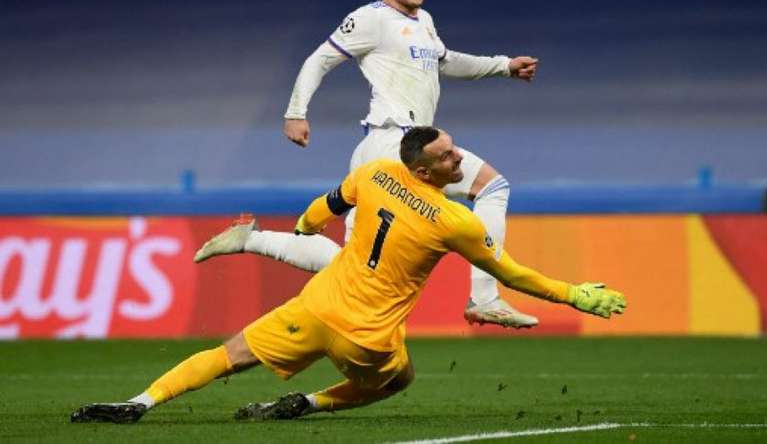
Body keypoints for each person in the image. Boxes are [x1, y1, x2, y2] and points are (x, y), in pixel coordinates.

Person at [70, 127, 626, 424]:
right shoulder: (456, 219)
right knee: (399, 381)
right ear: (424, 170)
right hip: (366, 340)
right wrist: (574, 295)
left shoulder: (376, 173)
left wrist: (304, 226)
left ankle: (141, 401)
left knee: (228, 355)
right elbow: (514, 273)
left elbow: (324, 206)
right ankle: (310, 405)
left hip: (315, 308)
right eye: (449, 155)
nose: (460, 161)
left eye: (455, 151)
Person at [247, 0, 541, 329]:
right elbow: (319, 60)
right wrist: (295, 113)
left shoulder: (425, 21)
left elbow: (447, 61)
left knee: (357, 261)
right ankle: (484, 297)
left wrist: (503, 66)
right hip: (391, 144)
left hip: (408, 147)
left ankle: (250, 240)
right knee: (488, 189)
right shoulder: (371, 19)